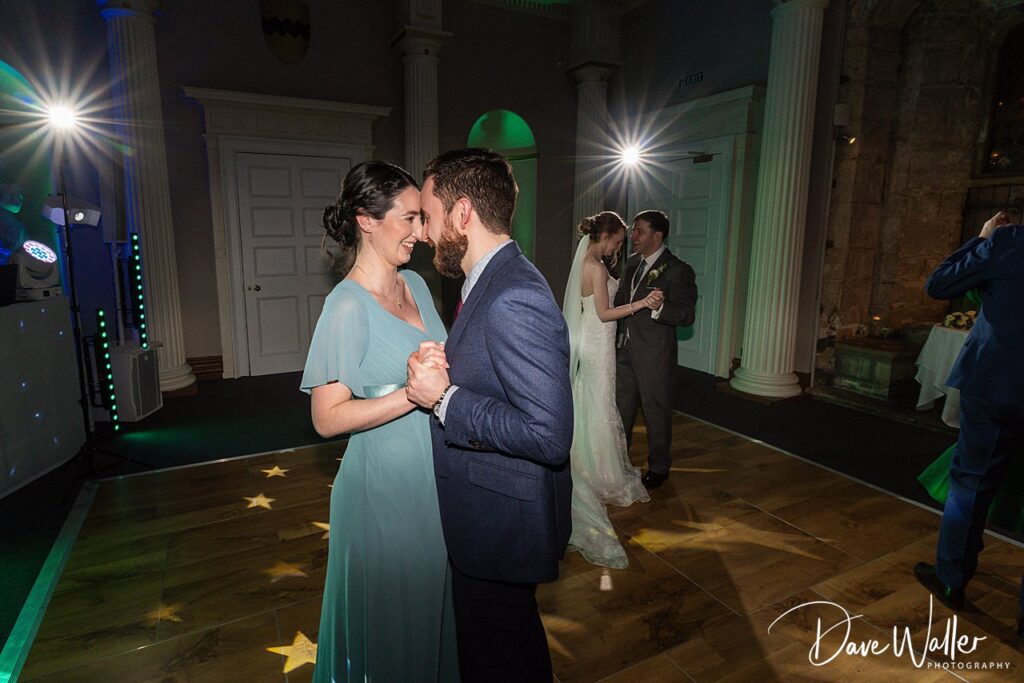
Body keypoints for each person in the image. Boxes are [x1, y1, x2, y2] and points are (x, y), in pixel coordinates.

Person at [405, 148, 574, 682]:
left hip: (501, 525)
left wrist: (443, 399)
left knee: (494, 661)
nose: (426, 233)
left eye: (429, 217)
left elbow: (549, 435)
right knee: (512, 648)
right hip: (492, 517)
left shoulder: (512, 295)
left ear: (461, 214)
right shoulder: (489, 281)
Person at [300, 161, 458, 681]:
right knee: (393, 625)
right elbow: (326, 418)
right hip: (381, 492)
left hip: (431, 479)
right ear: (366, 220)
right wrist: (412, 396)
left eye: (421, 218)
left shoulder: (414, 281)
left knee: (431, 608)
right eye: (409, 219)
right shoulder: (345, 306)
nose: (420, 231)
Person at [913, 211, 1024, 640]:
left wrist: (981, 239)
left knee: (971, 485)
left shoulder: (1009, 241)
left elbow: (939, 285)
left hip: (997, 384)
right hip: (999, 385)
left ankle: (951, 581)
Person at [562, 211, 657, 568]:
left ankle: (588, 459)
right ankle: (599, 470)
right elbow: (603, 313)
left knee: (590, 402)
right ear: (605, 237)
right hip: (598, 342)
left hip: (590, 342)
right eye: (618, 241)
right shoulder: (597, 268)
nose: (619, 247)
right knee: (600, 403)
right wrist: (640, 305)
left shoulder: (587, 262)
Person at [613, 209, 698, 489]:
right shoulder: (631, 265)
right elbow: (624, 304)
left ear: (657, 235)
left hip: (655, 356)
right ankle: (619, 462)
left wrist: (660, 306)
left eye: (639, 231)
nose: (633, 236)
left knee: (656, 411)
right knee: (621, 409)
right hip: (625, 351)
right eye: (633, 231)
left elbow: (686, 315)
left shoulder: (678, 270)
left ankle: (659, 467)